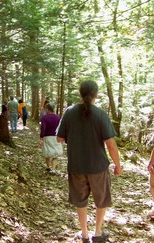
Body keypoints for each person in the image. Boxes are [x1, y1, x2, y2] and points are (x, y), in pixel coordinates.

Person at [57, 80, 122, 243]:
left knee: (80, 200)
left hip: (76, 165)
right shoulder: (101, 114)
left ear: (80, 93)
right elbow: (111, 145)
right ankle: (98, 233)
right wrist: (118, 165)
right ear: (96, 95)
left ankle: (84, 234)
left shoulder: (69, 112)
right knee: (101, 199)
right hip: (98, 167)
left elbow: (59, 138)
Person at [39, 103, 63, 174]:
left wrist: (41, 137)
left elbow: (43, 128)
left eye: (45, 108)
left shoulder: (44, 118)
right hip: (56, 137)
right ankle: (53, 169)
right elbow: (60, 128)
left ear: (47, 109)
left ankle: (48, 167)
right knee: (55, 154)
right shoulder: (58, 118)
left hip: (47, 137)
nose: (45, 110)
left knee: (48, 153)